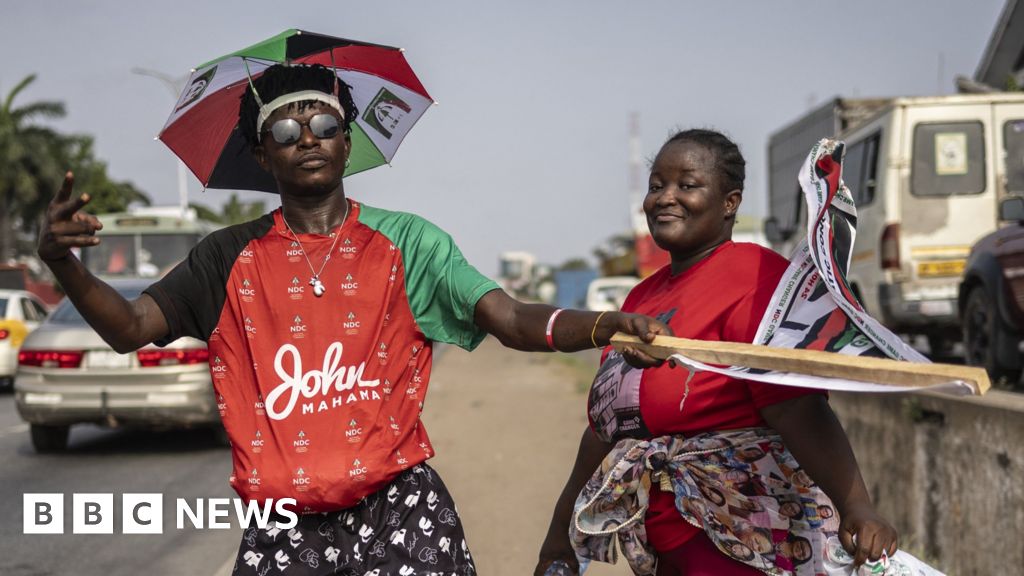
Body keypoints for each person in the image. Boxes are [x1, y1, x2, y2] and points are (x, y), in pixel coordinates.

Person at [35, 63, 671, 576]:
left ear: (348, 139)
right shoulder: (226, 258)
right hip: (282, 532)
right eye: (285, 132)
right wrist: (62, 261)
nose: (306, 139)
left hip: (402, 517)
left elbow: (509, 316)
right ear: (261, 155)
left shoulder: (408, 244)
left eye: (323, 123)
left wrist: (601, 326)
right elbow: (128, 327)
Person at [535, 129, 897, 576]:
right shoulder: (641, 297)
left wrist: (856, 505)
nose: (665, 198)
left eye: (687, 185)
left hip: (744, 539)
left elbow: (796, 408)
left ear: (730, 202)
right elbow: (606, 431)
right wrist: (560, 535)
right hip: (667, 537)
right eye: (656, 186)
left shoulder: (756, 277)